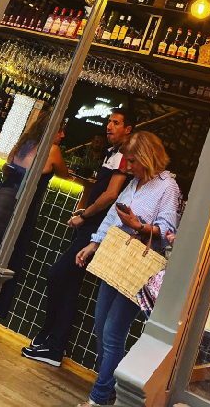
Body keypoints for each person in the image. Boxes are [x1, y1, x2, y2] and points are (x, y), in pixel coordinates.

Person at [75, 130, 181, 407]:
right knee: (100, 327)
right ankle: (110, 389)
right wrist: (93, 244)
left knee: (113, 332)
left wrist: (138, 226)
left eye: (132, 161)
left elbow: (167, 229)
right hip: (115, 260)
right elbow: (112, 217)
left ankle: (99, 398)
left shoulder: (167, 187)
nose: (128, 167)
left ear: (146, 157)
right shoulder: (134, 183)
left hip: (137, 268)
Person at [22, 109, 133, 366]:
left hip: (96, 230)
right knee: (69, 285)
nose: (109, 126)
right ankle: (51, 344)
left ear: (128, 129)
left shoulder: (124, 156)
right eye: (109, 122)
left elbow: (110, 195)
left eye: (116, 123)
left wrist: (85, 216)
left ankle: (51, 342)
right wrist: (84, 210)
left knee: (57, 276)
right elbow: (98, 189)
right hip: (90, 227)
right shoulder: (112, 154)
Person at [0, 117, 71, 322]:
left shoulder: (23, 144)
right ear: (50, 130)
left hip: (3, 201)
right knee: (11, 258)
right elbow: (64, 173)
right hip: (25, 208)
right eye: (60, 131)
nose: (62, 135)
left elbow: (7, 166)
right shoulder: (51, 150)